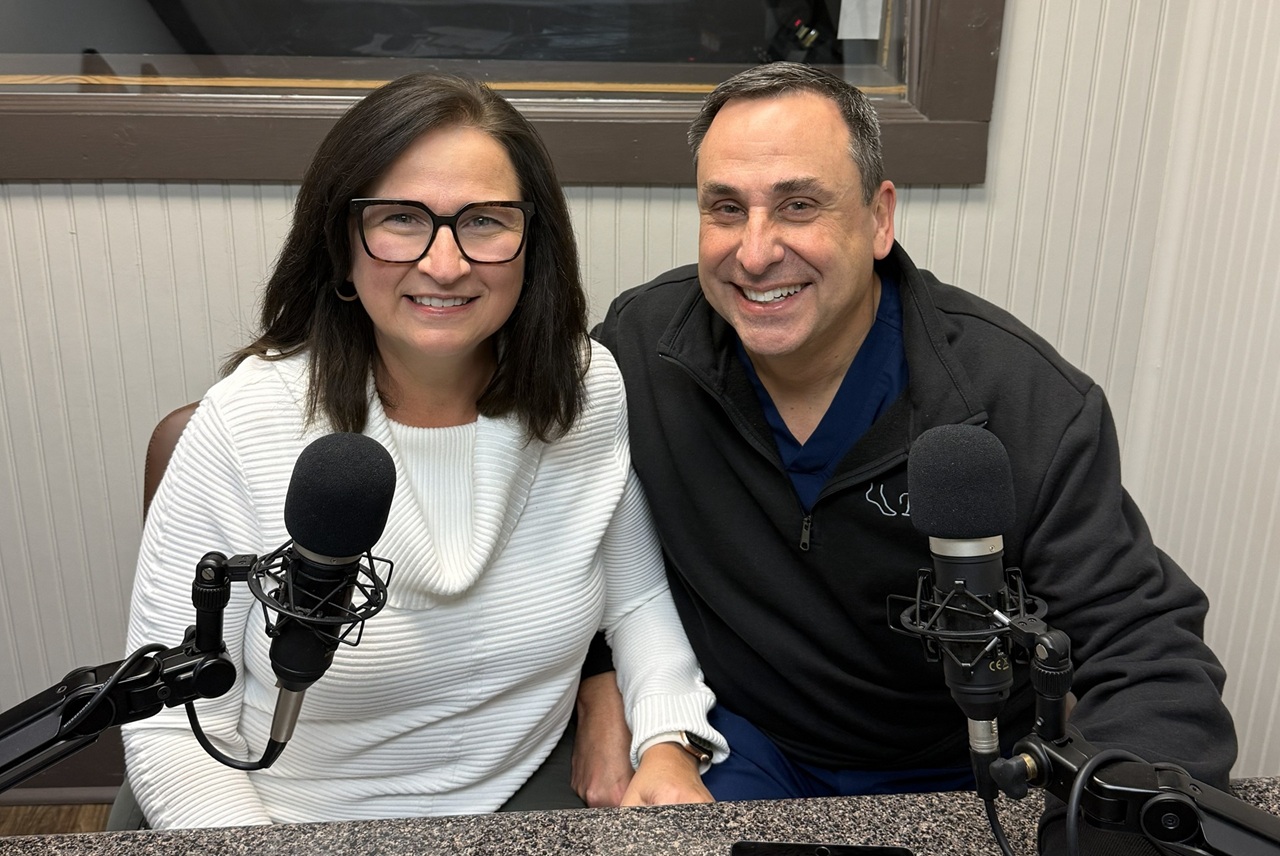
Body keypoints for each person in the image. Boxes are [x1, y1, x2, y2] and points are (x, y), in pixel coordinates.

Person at [577, 62, 1237, 852]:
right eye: (726, 208)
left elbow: (1144, 648)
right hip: (746, 748)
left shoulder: (1024, 403)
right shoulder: (642, 354)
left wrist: (1110, 821)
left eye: (799, 205)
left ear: (880, 217)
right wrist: (599, 685)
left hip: (963, 768)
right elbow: (567, 531)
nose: (755, 252)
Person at [121, 71, 727, 829]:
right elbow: (171, 728)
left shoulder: (583, 387)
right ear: (341, 244)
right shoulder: (246, 423)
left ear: (532, 243)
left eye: (485, 221)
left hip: (518, 796)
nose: (445, 263)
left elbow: (635, 598)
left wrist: (669, 742)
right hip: (280, 818)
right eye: (402, 219)